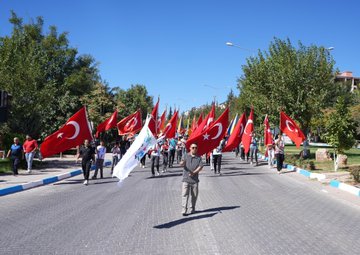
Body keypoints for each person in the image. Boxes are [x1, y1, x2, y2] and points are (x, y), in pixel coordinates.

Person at [180, 143, 204, 216]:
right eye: (193, 147)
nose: (194, 149)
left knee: (194, 195)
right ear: (190, 148)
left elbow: (201, 167)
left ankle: (192, 208)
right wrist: (182, 163)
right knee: (184, 195)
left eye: (196, 148)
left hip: (194, 180)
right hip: (186, 179)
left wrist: (194, 172)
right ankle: (184, 210)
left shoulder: (199, 157)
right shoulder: (186, 155)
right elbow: (181, 164)